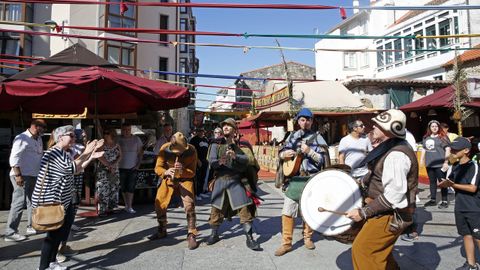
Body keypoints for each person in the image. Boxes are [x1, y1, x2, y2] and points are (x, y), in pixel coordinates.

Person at [346, 109, 418, 269]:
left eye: (378, 125)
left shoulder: (396, 155)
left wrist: (363, 212)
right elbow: (376, 175)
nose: (373, 127)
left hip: (390, 214)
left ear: (388, 130)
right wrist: (355, 183)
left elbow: (394, 195)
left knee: (364, 251)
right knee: (380, 254)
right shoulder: (390, 147)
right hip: (382, 211)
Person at [32, 125, 103, 270]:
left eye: (74, 136)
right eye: (71, 135)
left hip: (63, 200)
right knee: (52, 236)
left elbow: (76, 169)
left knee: (59, 233)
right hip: (51, 201)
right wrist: (87, 151)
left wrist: (90, 156)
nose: (74, 138)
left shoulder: (63, 153)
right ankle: (44, 266)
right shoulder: (53, 153)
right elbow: (71, 168)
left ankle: (52, 262)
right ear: (60, 137)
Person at [274, 108, 328, 256]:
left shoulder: (318, 138)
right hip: (295, 178)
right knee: (287, 210)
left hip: (311, 178)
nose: (305, 123)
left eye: (308, 120)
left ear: (312, 121)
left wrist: (310, 152)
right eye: (302, 120)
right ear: (298, 121)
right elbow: (281, 153)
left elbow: (323, 160)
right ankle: (286, 243)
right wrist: (284, 154)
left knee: (308, 210)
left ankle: (307, 238)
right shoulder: (292, 136)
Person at [206, 118, 261, 250]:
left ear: (234, 130)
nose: (225, 127)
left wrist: (235, 156)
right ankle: (214, 233)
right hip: (220, 180)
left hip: (236, 181)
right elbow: (212, 161)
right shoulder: (215, 144)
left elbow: (248, 160)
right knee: (216, 210)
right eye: (224, 125)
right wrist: (221, 161)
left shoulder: (241, 145)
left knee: (245, 209)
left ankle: (249, 238)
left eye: (228, 126)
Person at [149, 132, 199, 249]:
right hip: (169, 179)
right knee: (159, 203)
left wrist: (182, 171)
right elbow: (158, 167)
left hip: (185, 179)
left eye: (180, 152)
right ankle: (162, 229)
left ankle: (192, 234)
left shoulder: (192, 150)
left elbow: (193, 172)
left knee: (189, 205)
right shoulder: (164, 148)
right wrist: (165, 172)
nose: (178, 154)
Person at [437, 137, 480, 270]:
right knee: (466, 235)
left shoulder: (474, 166)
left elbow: (473, 188)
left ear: (466, 150)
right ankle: (471, 264)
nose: (453, 151)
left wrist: (453, 184)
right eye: (452, 149)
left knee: (478, 237)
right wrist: (443, 183)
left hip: (473, 208)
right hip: (460, 206)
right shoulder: (455, 166)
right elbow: (448, 182)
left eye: (456, 149)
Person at [5, 119, 46, 242]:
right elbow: (14, 157)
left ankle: (31, 226)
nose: (44, 129)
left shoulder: (38, 139)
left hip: (34, 175)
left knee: (32, 202)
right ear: (35, 126)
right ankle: (10, 232)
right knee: (18, 202)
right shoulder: (21, 137)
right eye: (43, 127)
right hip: (22, 175)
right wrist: (18, 175)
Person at [420, 120, 451, 209]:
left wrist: (446, 162)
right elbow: (424, 149)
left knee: (442, 183)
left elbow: (448, 150)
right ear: (429, 128)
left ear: (439, 127)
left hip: (440, 164)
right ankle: (433, 200)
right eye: (432, 126)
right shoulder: (426, 137)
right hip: (429, 164)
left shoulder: (443, 137)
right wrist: (422, 160)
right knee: (432, 182)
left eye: (436, 126)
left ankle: (444, 201)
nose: (434, 128)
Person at [96, 127, 122, 216]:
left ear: (112, 134)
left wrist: (114, 165)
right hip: (103, 170)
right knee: (103, 189)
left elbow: (120, 156)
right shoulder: (102, 144)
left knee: (114, 188)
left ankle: (111, 207)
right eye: (104, 133)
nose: (105, 135)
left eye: (107, 133)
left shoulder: (116, 144)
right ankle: (102, 210)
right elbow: (99, 156)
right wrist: (108, 165)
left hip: (114, 169)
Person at [118, 124, 143, 214]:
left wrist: (138, 165)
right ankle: (126, 205)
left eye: (128, 129)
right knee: (124, 187)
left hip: (133, 167)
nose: (126, 131)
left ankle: (130, 205)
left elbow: (140, 153)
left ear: (131, 130)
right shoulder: (118, 139)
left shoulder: (136, 139)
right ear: (122, 130)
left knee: (131, 187)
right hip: (121, 167)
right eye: (124, 129)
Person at [189, 127, 210, 200]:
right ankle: (196, 194)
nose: (201, 132)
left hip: (205, 161)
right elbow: (192, 151)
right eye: (199, 131)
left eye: (202, 131)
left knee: (203, 177)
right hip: (197, 161)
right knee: (197, 177)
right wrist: (197, 160)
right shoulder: (193, 140)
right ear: (197, 132)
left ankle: (200, 192)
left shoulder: (205, 139)